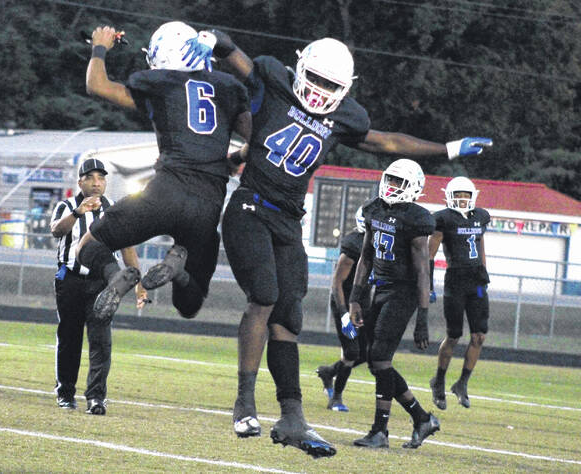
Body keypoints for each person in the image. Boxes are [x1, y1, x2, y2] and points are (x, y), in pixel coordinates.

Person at [182, 31, 491, 458]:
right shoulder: (273, 78)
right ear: (299, 66)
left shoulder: (346, 117)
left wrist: (449, 148)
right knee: (265, 297)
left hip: (289, 220)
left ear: (345, 89)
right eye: (316, 79)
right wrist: (214, 39)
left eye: (331, 86)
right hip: (250, 204)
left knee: (289, 317)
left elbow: (385, 142)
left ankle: (292, 417)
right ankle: (244, 403)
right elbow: (237, 56)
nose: (320, 91)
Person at [75, 22, 251, 326]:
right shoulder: (228, 87)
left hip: (165, 192)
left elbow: (97, 85)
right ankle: (178, 271)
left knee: (88, 247)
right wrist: (235, 157)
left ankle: (118, 275)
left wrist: (100, 46)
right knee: (189, 303)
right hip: (208, 205)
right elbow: (258, 139)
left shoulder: (159, 82)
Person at [348, 159, 439, 449]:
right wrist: (354, 299)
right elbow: (365, 257)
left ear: (413, 187)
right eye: (390, 179)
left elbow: (423, 270)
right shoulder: (374, 209)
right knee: (375, 361)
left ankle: (380, 431)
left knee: (380, 358)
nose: (392, 186)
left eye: (399, 182)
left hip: (405, 292)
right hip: (381, 288)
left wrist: (422, 318)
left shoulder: (417, 218)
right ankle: (422, 418)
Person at [51, 158, 147, 415]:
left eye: (101, 178)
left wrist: (139, 283)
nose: (96, 183)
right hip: (70, 279)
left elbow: (127, 247)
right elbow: (56, 231)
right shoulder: (67, 205)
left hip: (102, 284)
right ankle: (66, 393)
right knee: (70, 337)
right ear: (80, 181)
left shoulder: (114, 210)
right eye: (91, 178)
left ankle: (96, 398)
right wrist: (77, 213)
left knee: (101, 340)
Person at [428, 176, 490, 410]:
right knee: (453, 336)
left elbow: (480, 243)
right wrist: (429, 285)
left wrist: (484, 271)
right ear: (449, 196)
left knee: (479, 336)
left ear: (473, 195)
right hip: (455, 280)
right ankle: (439, 381)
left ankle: (462, 383)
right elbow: (430, 254)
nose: (463, 199)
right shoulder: (443, 219)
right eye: (458, 195)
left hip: (476, 281)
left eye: (466, 194)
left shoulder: (481, 216)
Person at [315, 207, 369, 412]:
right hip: (344, 301)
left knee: (366, 354)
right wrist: (344, 314)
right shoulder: (354, 244)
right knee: (352, 351)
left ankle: (329, 372)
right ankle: (336, 398)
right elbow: (337, 283)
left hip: (364, 302)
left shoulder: (380, 244)